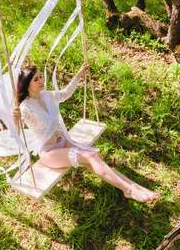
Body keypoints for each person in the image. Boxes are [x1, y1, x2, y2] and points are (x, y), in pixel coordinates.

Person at [12, 64, 160, 203]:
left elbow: (66, 93)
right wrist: (16, 120)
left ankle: (135, 188)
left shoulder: (47, 95)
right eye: (36, 79)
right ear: (27, 84)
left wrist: (78, 74)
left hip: (65, 142)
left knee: (95, 159)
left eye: (41, 77)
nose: (41, 81)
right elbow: (16, 135)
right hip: (50, 152)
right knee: (92, 156)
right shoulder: (25, 108)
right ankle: (129, 189)